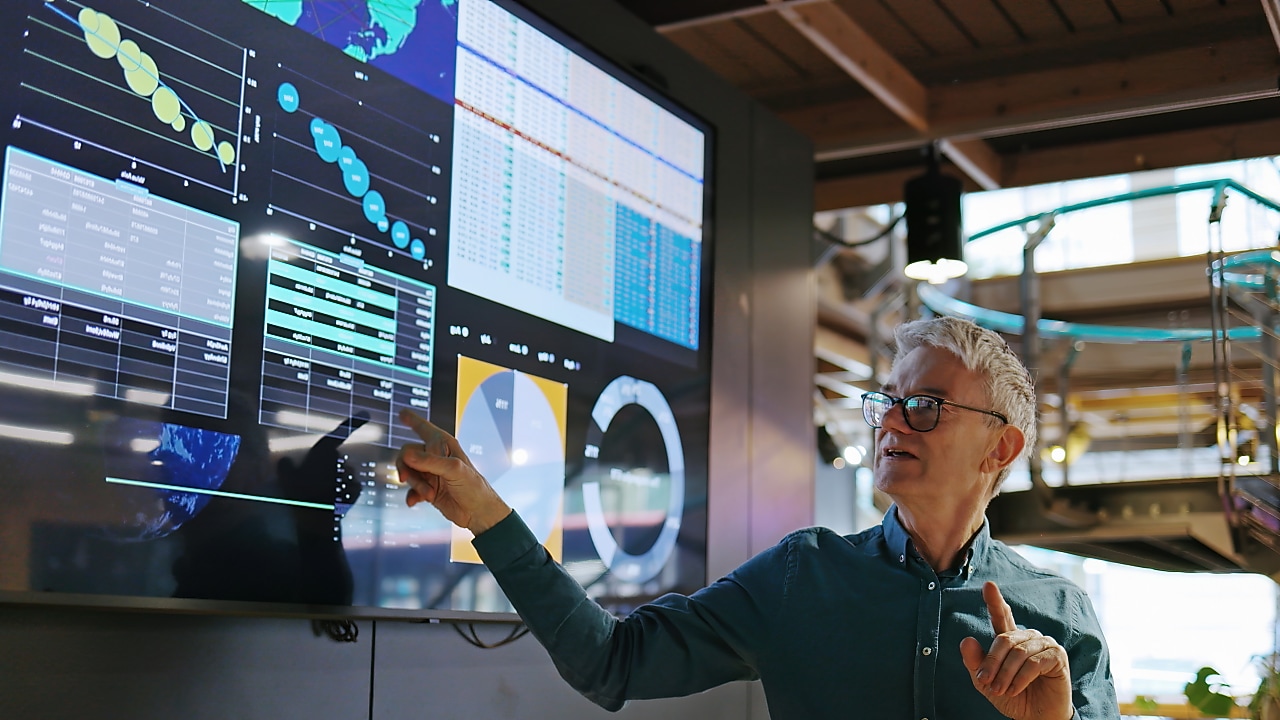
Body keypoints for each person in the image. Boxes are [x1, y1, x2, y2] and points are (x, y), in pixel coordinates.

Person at [394, 316, 1119, 719]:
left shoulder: (1059, 619)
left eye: (924, 406)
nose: (893, 422)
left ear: (1001, 447)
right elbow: (611, 660)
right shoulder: (805, 574)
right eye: (888, 403)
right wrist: (489, 517)